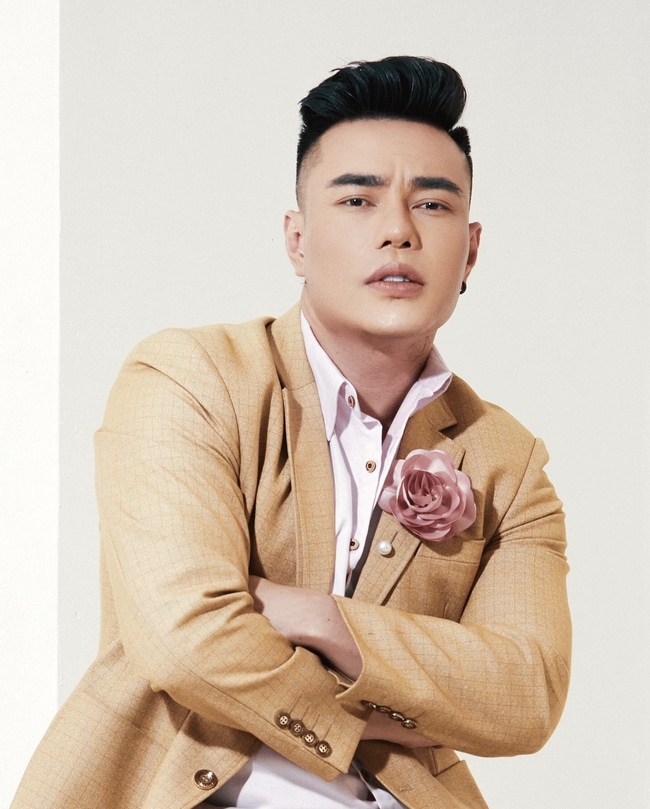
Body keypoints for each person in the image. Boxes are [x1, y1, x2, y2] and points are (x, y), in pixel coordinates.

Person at [11, 56, 571, 809]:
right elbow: (185, 637)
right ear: (298, 239)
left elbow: (526, 695)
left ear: (470, 249)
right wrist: (370, 714)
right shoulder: (189, 378)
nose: (398, 231)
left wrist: (320, 617)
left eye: (432, 205)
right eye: (358, 200)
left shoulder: (507, 460)